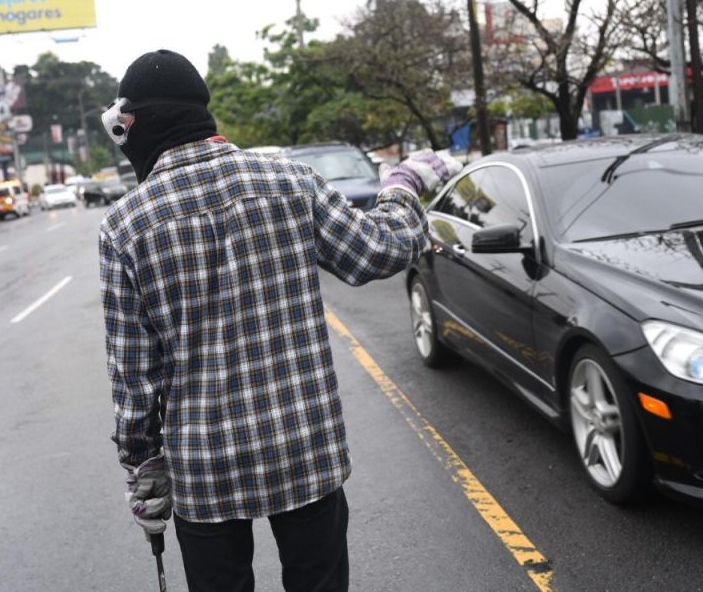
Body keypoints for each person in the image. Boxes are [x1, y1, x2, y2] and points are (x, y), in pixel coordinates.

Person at [99, 49, 461, 592]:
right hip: (305, 450)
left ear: (136, 125)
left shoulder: (125, 226)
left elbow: (133, 374)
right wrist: (404, 183)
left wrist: (143, 463)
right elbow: (377, 252)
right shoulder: (290, 181)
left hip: (206, 469)